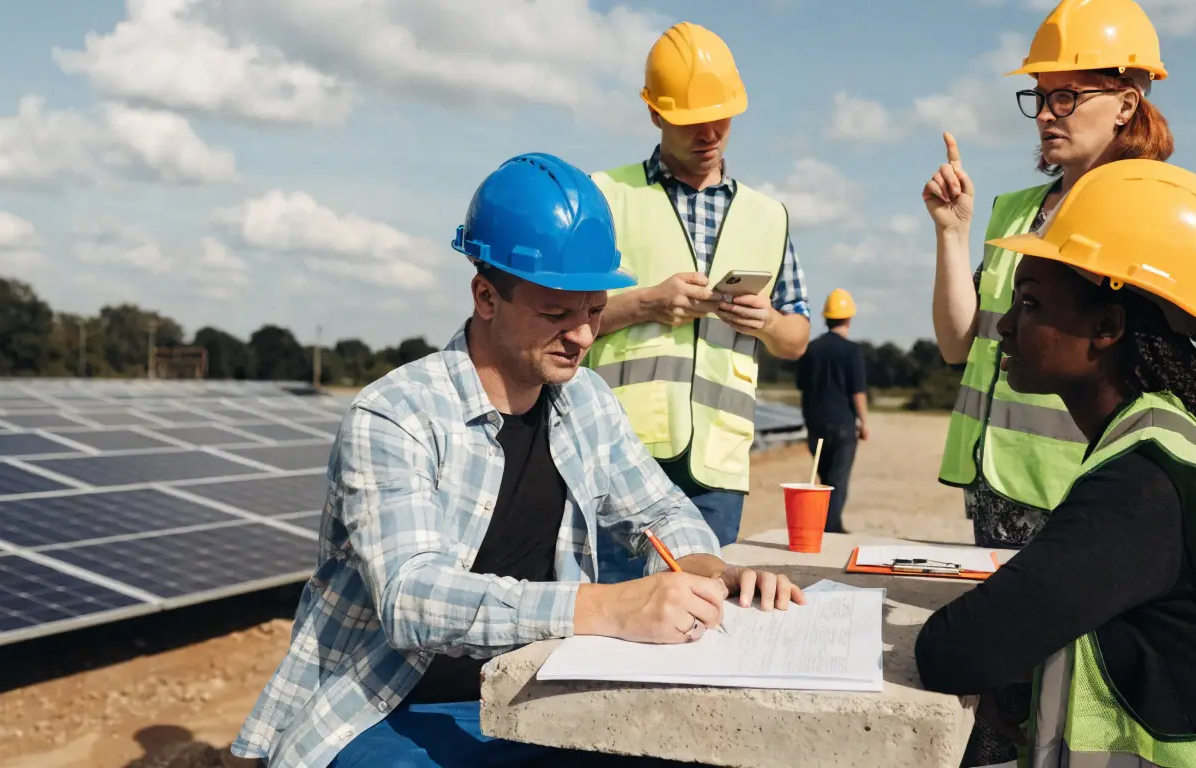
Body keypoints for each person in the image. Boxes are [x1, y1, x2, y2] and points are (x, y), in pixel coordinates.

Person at [228, 152, 805, 768]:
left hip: (537, 690)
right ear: (486, 296)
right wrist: (609, 608)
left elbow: (659, 509)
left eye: (594, 310)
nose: (583, 336)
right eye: (556, 314)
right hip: (389, 706)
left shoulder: (586, 400)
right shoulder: (396, 415)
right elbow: (411, 598)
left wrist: (709, 570)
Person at [913, 159, 1196, 768]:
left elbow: (953, 650)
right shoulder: (1163, 432)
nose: (1002, 324)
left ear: (1107, 325)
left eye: (1029, 302)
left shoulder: (1142, 484)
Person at [922, 0, 1175, 761]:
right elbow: (958, 344)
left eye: (1067, 96)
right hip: (995, 489)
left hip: (1077, 492)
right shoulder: (1016, 211)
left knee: (1073, 694)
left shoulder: (1144, 210)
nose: (1045, 114)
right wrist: (953, 233)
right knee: (1006, 695)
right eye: (1039, 96)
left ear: (1127, 101)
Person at [586, 21, 812, 583]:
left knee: (702, 615)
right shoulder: (605, 196)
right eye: (691, 120)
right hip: (618, 457)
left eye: (722, 116)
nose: (710, 132)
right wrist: (645, 304)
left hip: (718, 469)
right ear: (655, 113)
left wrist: (767, 322)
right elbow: (558, 322)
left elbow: (796, 338)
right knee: (616, 612)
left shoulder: (769, 216)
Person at [793, 288, 869, 534]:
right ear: (849, 318)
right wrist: (864, 422)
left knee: (825, 479)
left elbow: (801, 385)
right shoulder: (852, 351)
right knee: (838, 480)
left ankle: (824, 524)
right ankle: (831, 528)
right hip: (843, 425)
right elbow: (858, 391)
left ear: (826, 318)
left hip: (815, 424)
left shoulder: (810, 349)